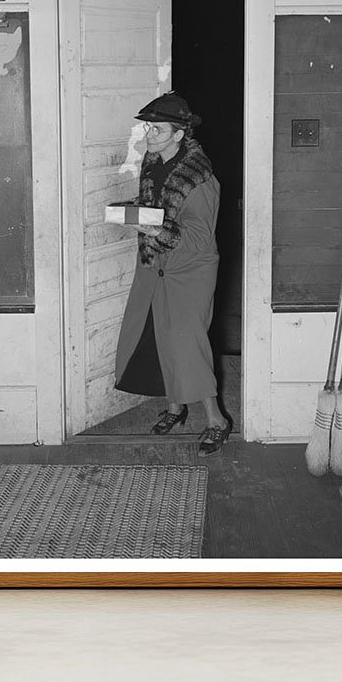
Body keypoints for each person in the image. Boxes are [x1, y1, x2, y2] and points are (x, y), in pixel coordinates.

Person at [113, 92, 232, 455]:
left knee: (186, 342)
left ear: (179, 134)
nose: (149, 134)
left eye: (158, 129)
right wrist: (131, 212)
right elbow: (157, 210)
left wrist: (153, 229)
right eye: (148, 127)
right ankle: (176, 408)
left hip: (189, 270)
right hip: (156, 265)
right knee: (154, 335)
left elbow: (197, 237)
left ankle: (216, 421)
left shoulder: (201, 178)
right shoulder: (154, 162)